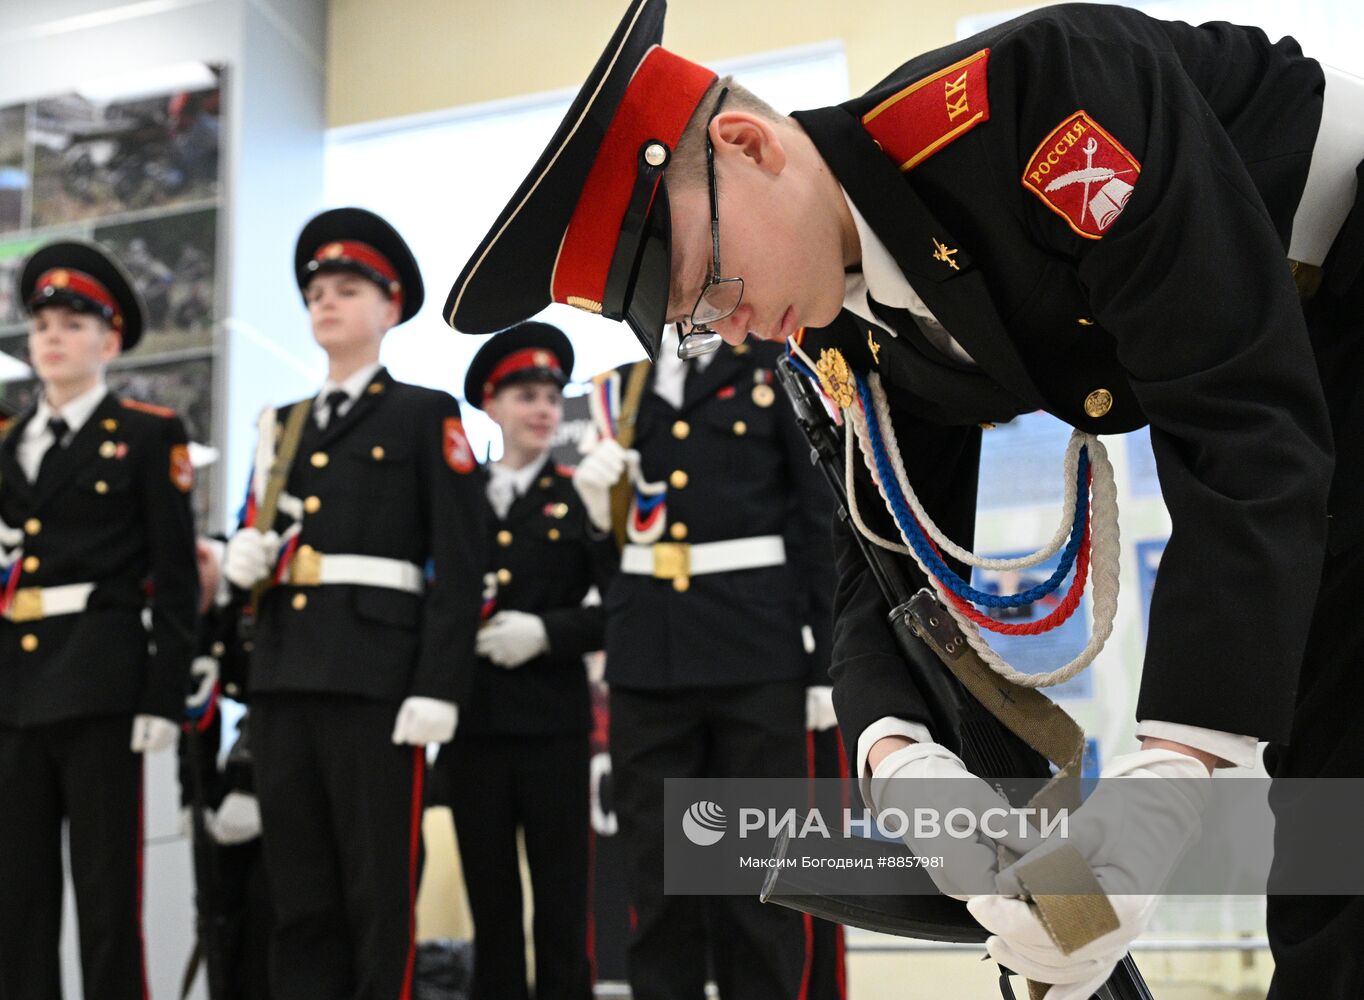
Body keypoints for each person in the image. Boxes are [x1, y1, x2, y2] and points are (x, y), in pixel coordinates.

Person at [441, 1, 1364, 997]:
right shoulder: (835, 332)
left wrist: (1173, 766)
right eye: (697, 326)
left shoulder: (1028, 104)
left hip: (1342, 264)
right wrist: (897, 753)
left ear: (744, 145)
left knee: (1337, 784)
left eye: (707, 283)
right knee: (1325, 835)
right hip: (1300, 392)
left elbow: (1241, 422)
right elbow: (878, 561)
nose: (734, 326)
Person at [222, 207, 487, 1000]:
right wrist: (245, 558)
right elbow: (257, 531)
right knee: (298, 898)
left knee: (380, 895)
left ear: (389, 305)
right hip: (282, 680)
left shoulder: (425, 413)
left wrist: (439, 686)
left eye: (345, 289)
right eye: (315, 293)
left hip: (378, 683)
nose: (325, 303)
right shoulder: (282, 427)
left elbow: (462, 563)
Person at [566, 320, 838, 1000]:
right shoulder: (621, 394)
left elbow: (815, 519)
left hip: (756, 657)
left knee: (759, 882)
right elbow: (610, 567)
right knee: (658, 884)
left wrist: (824, 662)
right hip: (647, 662)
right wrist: (599, 518)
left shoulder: (775, 365)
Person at [0, 239, 199, 1000]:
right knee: (16, 901)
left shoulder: (147, 436)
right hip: (15, 690)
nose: (53, 336)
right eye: (43, 322)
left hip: (101, 684)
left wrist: (163, 694)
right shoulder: (11, 444)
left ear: (110, 341)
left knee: (108, 894)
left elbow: (176, 579)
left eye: (74, 322)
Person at [437, 320, 614, 1000]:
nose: (543, 409)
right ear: (492, 405)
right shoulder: (459, 499)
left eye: (550, 395)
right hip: (474, 728)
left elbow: (613, 606)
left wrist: (546, 632)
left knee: (563, 904)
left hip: (553, 728)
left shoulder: (580, 493)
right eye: (526, 396)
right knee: (493, 907)